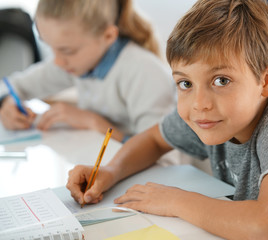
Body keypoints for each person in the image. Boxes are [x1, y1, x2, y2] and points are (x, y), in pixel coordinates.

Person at [66, 0, 268, 239]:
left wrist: (175, 200)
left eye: (221, 80)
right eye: (185, 84)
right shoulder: (215, 116)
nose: (199, 104)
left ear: (267, 80)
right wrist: (111, 172)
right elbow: (154, 138)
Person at [0, 0, 175, 142]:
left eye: (67, 51)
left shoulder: (144, 73)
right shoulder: (73, 62)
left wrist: (93, 122)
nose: (58, 62)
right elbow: (10, 85)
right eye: (51, 48)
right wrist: (6, 102)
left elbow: (166, 156)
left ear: (107, 37)